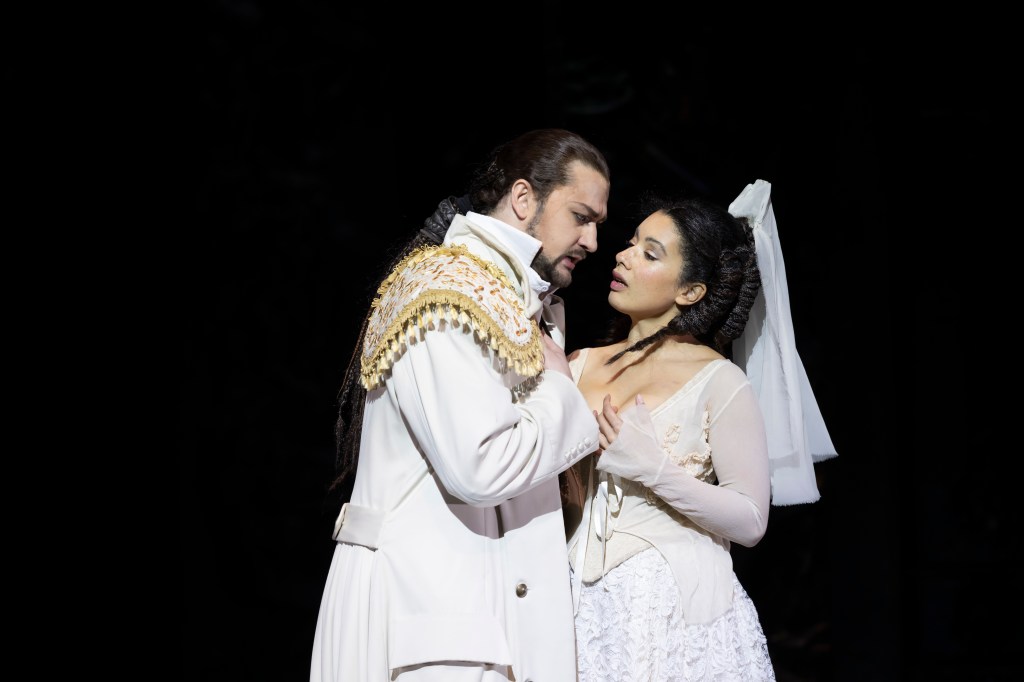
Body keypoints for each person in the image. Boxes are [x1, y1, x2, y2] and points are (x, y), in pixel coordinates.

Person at [310, 128, 611, 682]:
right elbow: (479, 466)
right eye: (581, 217)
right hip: (434, 616)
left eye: (598, 224)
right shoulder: (445, 291)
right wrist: (560, 391)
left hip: (483, 615)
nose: (593, 241)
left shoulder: (518, 297)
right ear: (523, 198)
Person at [564, 180, 836, 681]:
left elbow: (751, 520)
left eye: (649, 253)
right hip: (575, 602)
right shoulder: (578, 363)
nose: (623, 256)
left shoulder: (719, 381)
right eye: (631, 243)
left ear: (690, 292)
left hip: (673, 614)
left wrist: (654, 470)